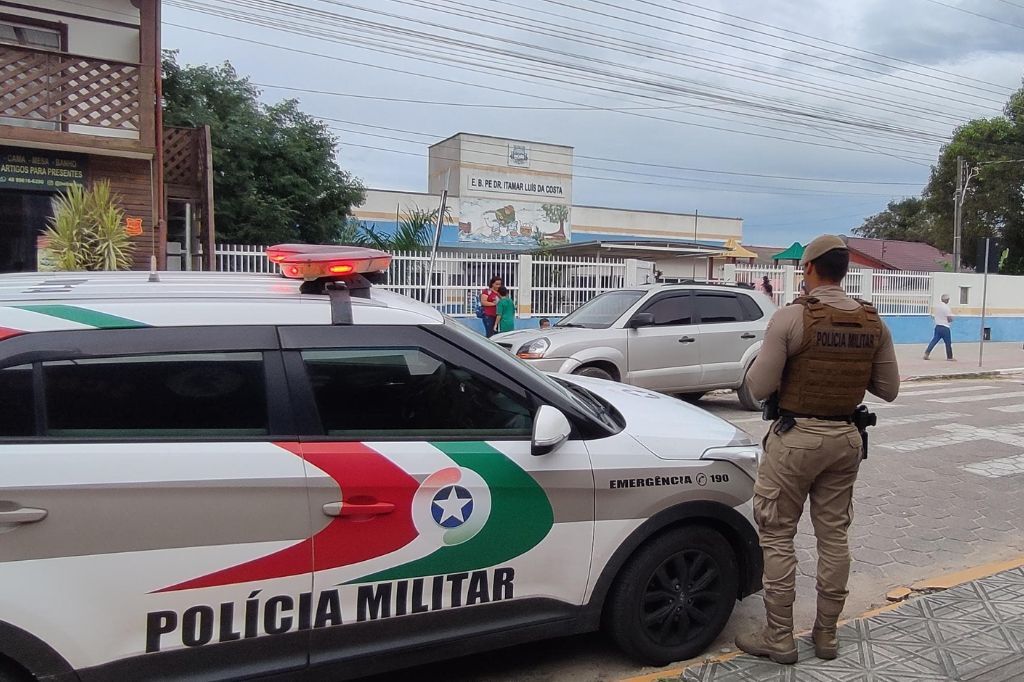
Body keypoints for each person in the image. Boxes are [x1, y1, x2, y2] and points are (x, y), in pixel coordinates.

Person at [735, 235, 900, 665]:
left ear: (808, 270)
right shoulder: (872, 321)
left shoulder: (792, 318)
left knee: (777, 535)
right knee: (833, 537)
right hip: (845, 441)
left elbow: (758, 387)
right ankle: (825, 637)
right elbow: (889, 389)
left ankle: (780, 638)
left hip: (795, 440)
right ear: (844, 270)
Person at [924, 294, 955, 361]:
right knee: (948, 343)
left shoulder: (937, 307)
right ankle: (949, 357)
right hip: (945, 327)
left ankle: (926, 353)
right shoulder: (946, 308)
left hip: (937, 326)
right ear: (947, 300)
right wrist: (952, 319)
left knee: (934, 340)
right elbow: (949, 319)